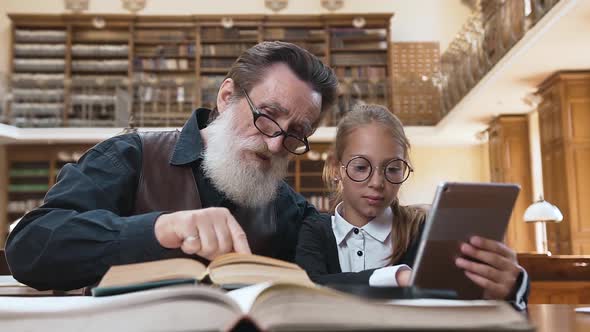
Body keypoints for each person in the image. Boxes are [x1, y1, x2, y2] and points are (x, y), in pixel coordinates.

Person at [5, 41, 339, 291]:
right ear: (227, 97)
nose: (275, 144)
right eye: (267, 116)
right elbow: (30, 246)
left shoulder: (289, 208)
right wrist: (160, 229)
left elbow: (334, 275)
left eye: (297, 133)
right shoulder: (130, 156)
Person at [295, 104, 529, 309]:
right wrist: (398, 277)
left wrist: (512, 287)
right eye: (361, 167)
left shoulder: (424, 230)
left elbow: (458, 301)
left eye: (393, 169)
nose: (377, 183)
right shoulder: (315, 229)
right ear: (337, 169)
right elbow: (309, 288)